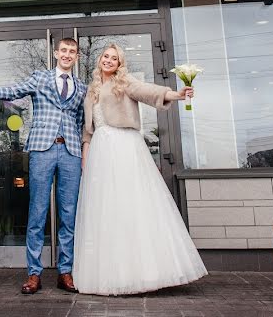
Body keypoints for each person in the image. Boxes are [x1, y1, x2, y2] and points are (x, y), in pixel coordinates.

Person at [73, 43, 207, 296]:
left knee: (131, 204)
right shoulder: (90, 91)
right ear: (99, 59)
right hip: (100, 150)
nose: (109, 61)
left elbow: (147, 91)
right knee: (105, 210)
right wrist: (85, 156)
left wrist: (176, 95)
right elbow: (87, 131)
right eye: (106, 56)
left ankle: (143, 272)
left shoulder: (125, 82)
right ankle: (111, 273)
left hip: (124, 146)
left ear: (119, 63)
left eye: (114, 58)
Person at [0, 38, 86, 295]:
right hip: (42, 149)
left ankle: (65, 272)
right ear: (56, 53)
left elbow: (81, 121)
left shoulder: (82, 87)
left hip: (71, 152)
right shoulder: (40, 78)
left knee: (69, 215)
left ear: (77, 56)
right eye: (64, 50)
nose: (67, 54)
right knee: (37, 212)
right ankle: (34, 274)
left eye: (72, 51)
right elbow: (12, 91)